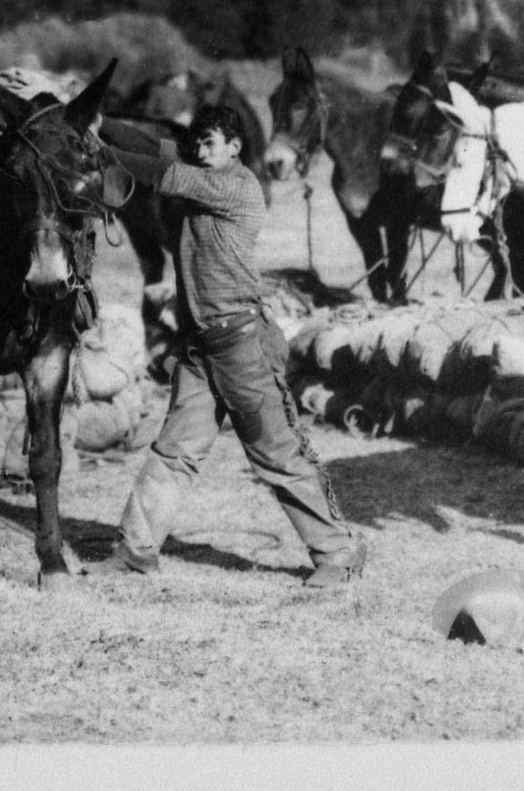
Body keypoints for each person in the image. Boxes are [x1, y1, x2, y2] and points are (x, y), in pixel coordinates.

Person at [110, 108, 363, 587]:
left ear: (234, 147)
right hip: (201, 347)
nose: (201, 152)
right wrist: (98, 119)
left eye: (210, 143)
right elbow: (150, 146)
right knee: (173, 451)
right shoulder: (203, 172)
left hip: (242, 346)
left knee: (277, 455)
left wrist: (94, 149)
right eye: (197, 145)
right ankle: (135, 551)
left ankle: (339, 552)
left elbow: (159, 170)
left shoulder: (236, 186)